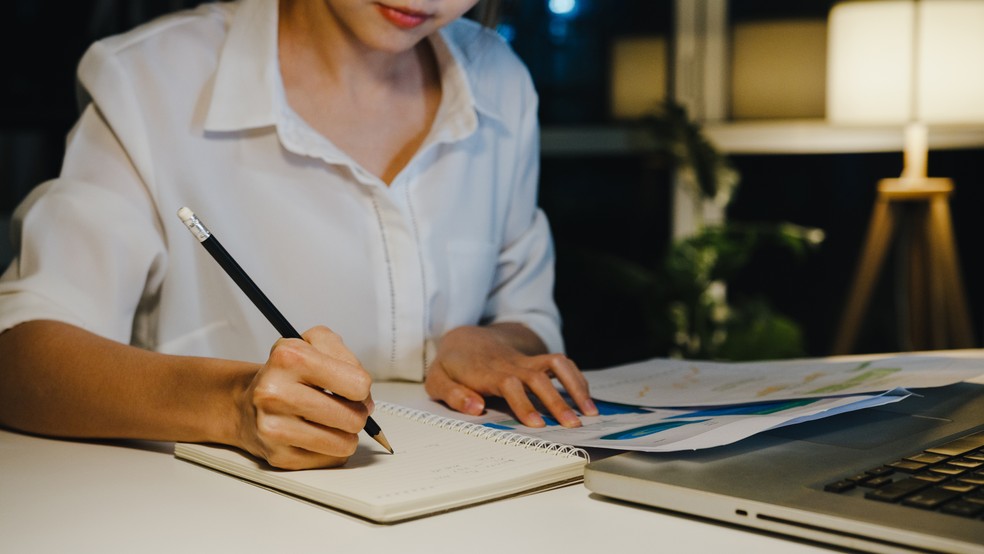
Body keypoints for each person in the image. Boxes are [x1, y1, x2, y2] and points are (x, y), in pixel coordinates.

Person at [0, 0, 597, 470]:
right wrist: (232, 405)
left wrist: (491, 341)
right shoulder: (150, 81)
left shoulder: (500, 79)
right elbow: (19, 359)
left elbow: (527, 314)